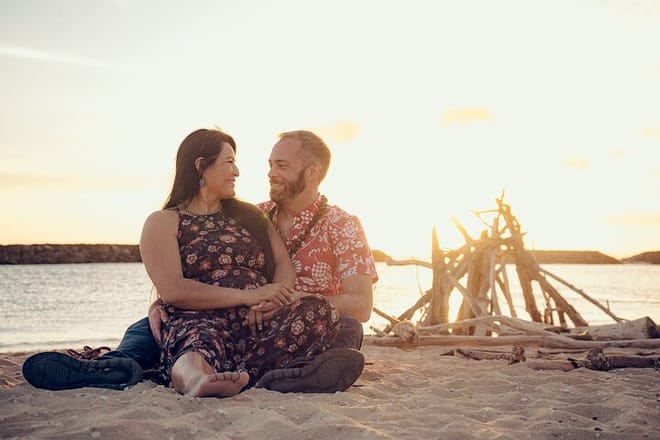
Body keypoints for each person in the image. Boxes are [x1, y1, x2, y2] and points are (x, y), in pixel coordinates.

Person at [22, 129, 378, 393]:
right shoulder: (255, 213)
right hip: (218, 310)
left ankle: (301, 373)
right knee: (154, 328)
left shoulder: (340, 225)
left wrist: (280, 298)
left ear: (312, 171)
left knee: (346, 327)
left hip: (284, 316)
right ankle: (118, 366)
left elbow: (360, 304)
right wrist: (162, 301)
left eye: (281, 165)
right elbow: (179, 279)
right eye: (269, 164)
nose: (267, 173)